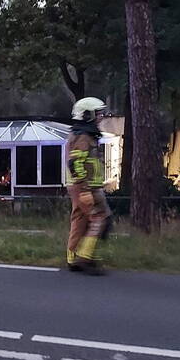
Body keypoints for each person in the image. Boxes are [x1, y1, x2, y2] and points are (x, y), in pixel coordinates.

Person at [66, 97, 112, 274]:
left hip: (83, 186)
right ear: (87, 115)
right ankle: (85, 258)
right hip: (85, 187)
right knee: (99, 218)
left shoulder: (83, 134)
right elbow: (75, 163)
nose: (101, 117)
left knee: (79, 220)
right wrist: (85, 190)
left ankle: (72, 257)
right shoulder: (84, 137)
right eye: (98, 113)